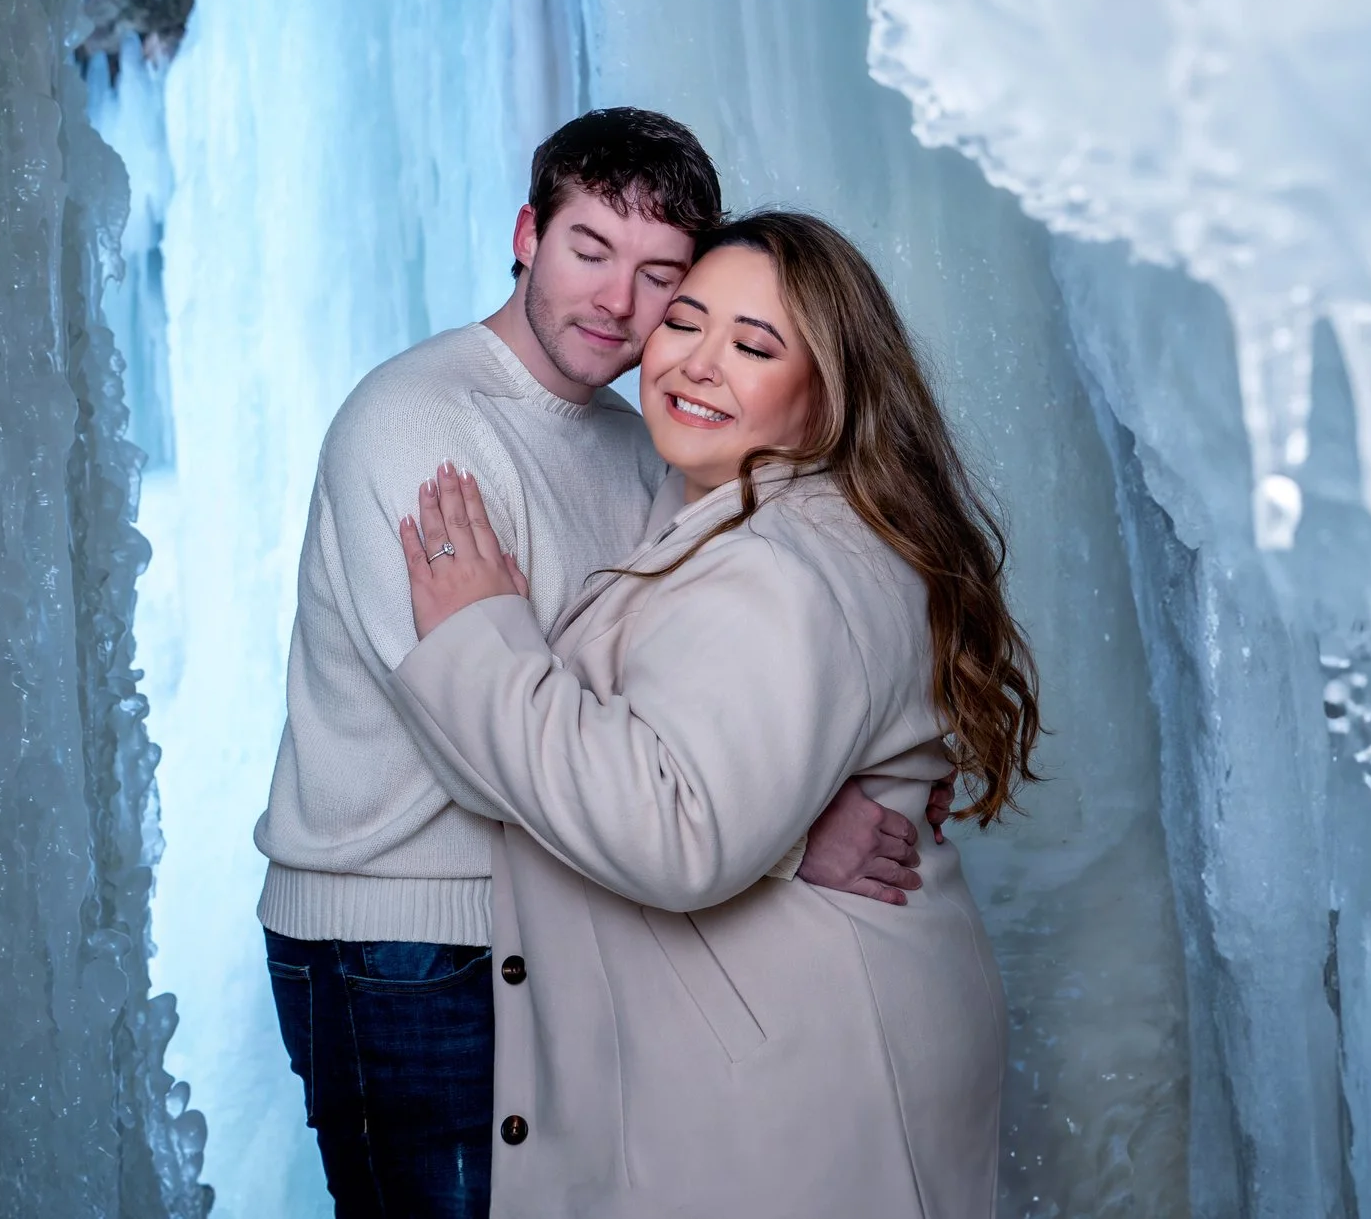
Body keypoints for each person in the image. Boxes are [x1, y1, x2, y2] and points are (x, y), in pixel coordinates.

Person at [255, 116, 931, 1219]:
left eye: (658, 273)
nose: (617, 302)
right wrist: (790, 832)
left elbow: (653, 705)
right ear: (527, 235)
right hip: (403, 945)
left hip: (551, 925)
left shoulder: (639, 440)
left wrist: (766, 786)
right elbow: (481, 751)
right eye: (588, 249)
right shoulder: (416, 427)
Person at [387, 210, 1041, 1218]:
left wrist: (479, 636)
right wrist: (790, 824)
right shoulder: (774, 520)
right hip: (816, 1041)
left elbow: (677, 831)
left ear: (827, 397)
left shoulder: (776, 566)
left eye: (753, 345)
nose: (695, 363)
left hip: (794, 1069)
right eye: (683, 322)